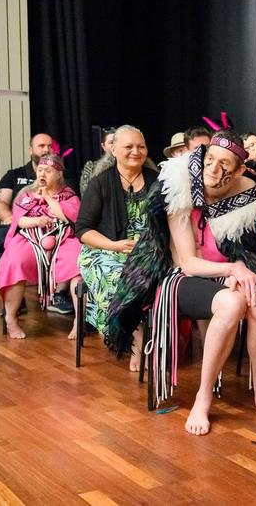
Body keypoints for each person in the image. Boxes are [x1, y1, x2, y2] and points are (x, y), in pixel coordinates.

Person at [108, 129, 256, 435]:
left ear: (238, 172)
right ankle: (203, 396)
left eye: (224, 164)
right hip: (179, 277)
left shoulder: (247, 194)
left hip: (222, 274)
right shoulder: (178, 184)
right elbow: (188, 262)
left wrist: (240, 269)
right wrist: (234, 270)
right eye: (210, 159)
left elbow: (245, 252)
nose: (213, 169)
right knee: (231, 303)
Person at [75, 125, 159, 371]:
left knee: (162, 279)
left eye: (141, 146)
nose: (136, 151)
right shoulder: (100, 182)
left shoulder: (157, 181)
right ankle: (136, 339)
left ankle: (157, 339)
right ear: (113, 149)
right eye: (128, 146)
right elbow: (83, 230)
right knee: (119, 277)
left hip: (147, 252)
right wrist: (113, 245)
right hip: (104, 251)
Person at [0, 153, 82, 339]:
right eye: (40, 170)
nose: (42, 174)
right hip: (30, 238)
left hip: (62, 239)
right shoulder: (26, 194)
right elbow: (18, 220)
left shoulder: (69, 195)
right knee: (15, 260)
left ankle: (79, 320)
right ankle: (11, 318)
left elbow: (68, 217)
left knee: (79, 262)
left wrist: (49, 198)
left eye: (48, 171)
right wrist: (35, 221)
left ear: (58, 174)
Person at [80, 127, 116, 196]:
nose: (114, 145)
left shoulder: (127, 166)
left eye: (117, 142)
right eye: (111, 142)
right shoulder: (91, 167)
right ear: (103, 146)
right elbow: (85, 193)